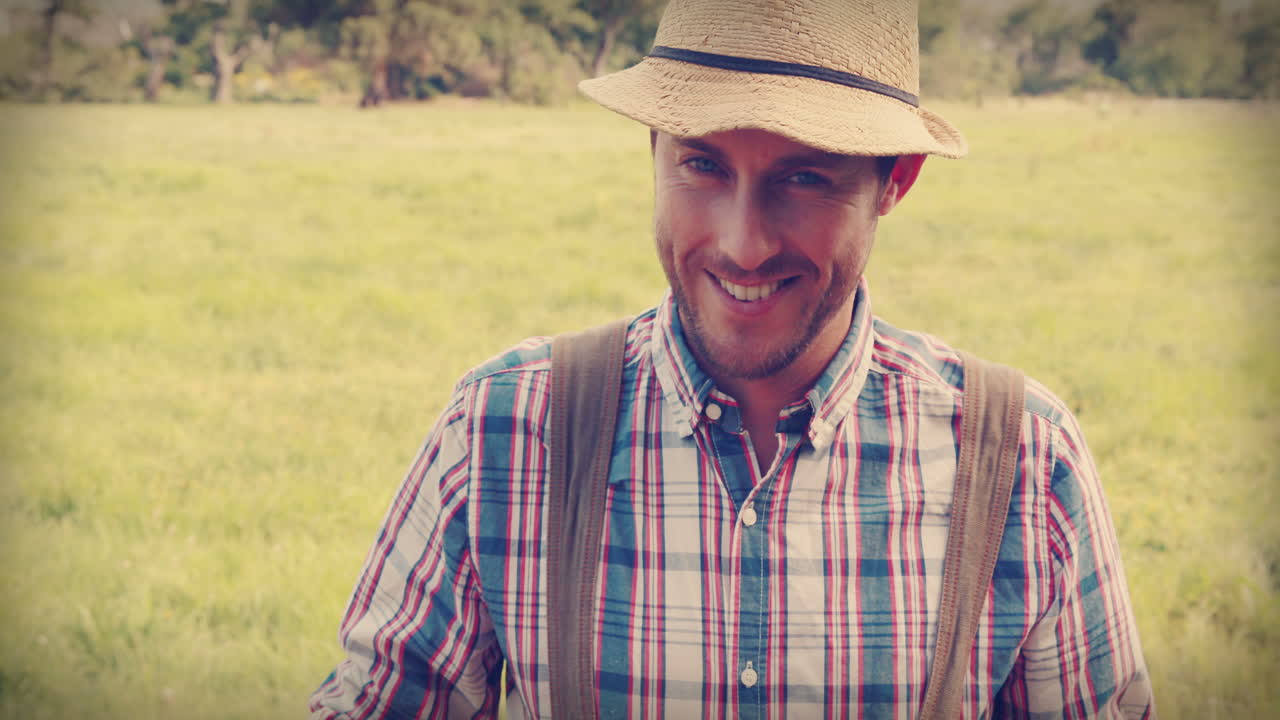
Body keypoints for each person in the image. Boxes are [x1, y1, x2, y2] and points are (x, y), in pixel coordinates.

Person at [309, 0, 1156, 717]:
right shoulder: (503, 432)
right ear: (652, 151)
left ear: (895, 181)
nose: (742, 245)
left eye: (805, 179)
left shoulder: (1023, 464)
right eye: (703, 166)